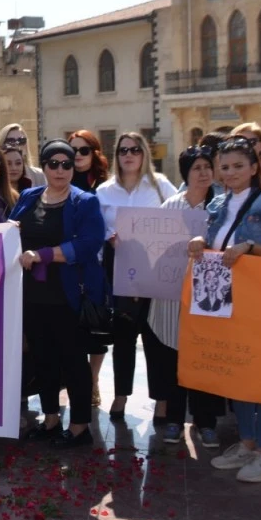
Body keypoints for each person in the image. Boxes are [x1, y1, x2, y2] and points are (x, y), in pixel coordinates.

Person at [188, 136, 261, 484]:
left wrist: (251, 247)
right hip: (225, 302)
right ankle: (247, 443)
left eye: (238, 166)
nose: (230, 173)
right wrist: (200, 243)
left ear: (254, 168)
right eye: (225, 166)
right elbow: (216, 244)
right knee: (236, 374)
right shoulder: (217, 203)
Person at [10, 140, 105, 448]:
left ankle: (79, 428)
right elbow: (11, 233)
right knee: (43, 359)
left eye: (67, 163)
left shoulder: (84, 201)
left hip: (69, 297)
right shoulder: (28, 196)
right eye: (54, 163)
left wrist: (45, 255)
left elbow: (90, 243)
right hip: (33, 297)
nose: (61, 169)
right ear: (45, 166)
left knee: (74, 362)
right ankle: (50, 420)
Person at [145, 145, 225, 448]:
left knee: (204, 359)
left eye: (207, 166)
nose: (203, 173)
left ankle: (206, 422)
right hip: (171, 297)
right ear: (187, 173)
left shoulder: (221, 206)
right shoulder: (170, 207)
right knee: (173, 359)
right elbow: (154, 249)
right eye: (197, 168)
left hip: (209, 298)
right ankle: (175, 421)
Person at [95, 131, 174, 421]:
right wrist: (111, 237)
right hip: (120, 270)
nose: (128, 155)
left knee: (156, 338)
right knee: (124, 337)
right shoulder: (104, 191)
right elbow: (97, 229)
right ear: (116, 156)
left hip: (155, 271)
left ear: (144, 154)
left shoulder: (161, 186)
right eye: (123, 150)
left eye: (135, 149)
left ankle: (162, 401)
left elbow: (176, 220)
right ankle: (120, 396)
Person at [67, 130, 109, 194]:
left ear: (94, 152)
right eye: (73, 150)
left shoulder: (105, 183)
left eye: (84, 150)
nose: (78, 154)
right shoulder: (62, 178)